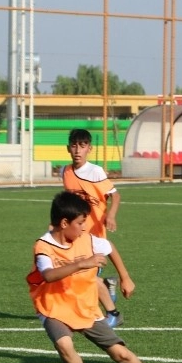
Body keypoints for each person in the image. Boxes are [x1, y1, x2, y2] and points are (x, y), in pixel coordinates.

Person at [27, 190, 182, 363]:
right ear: (64, 223)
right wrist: (83, 263)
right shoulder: (44, 245)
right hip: (53, 306)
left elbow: (109, 247)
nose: (85, 227)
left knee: (120, 354)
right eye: (81, 223)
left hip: (85, 305)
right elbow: (48, 275)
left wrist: (125, 277)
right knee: (64, 344)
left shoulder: (87, 240)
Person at [62, 128, 124, 328]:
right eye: (74, 145)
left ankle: (113, 313)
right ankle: (107, 287)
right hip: (75, 234)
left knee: (85, 276)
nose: (78, 150)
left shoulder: (95, 171)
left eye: (82, 146)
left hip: (94, 233)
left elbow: (115, 195)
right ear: (68, 148)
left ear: (90, 148)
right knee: (77, 275)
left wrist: (111, 215)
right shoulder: (66, 171)